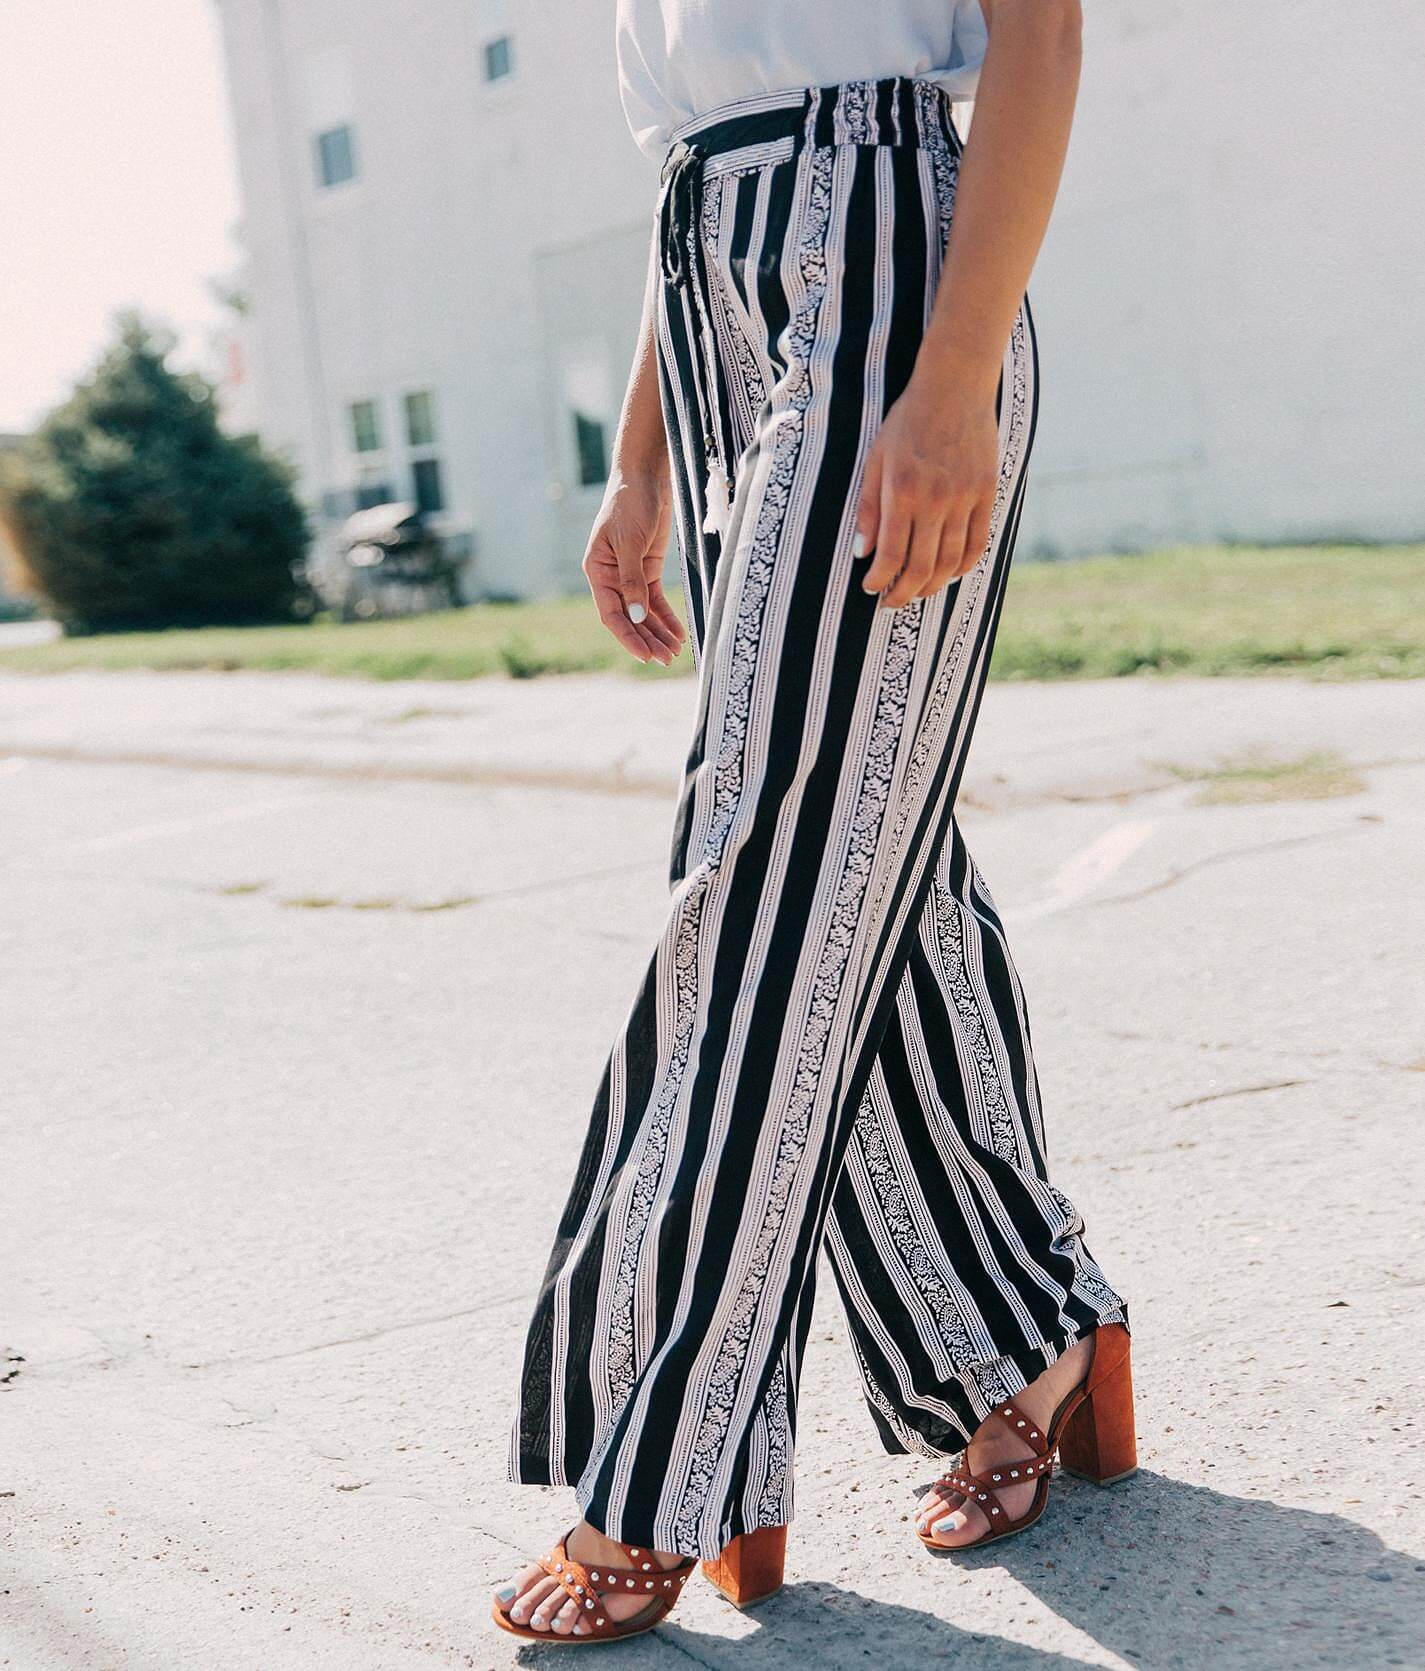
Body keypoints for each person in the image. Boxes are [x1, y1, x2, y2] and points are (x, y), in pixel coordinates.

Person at [494, 0, 1133, 1644]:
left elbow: (1036, 37)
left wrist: (955, 378)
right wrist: (638, 457)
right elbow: (691, 133)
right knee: (861, 855)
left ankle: (666, 1452)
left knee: (771, 873)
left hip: (887, 253)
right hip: (708, 271)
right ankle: (1018, 1334)